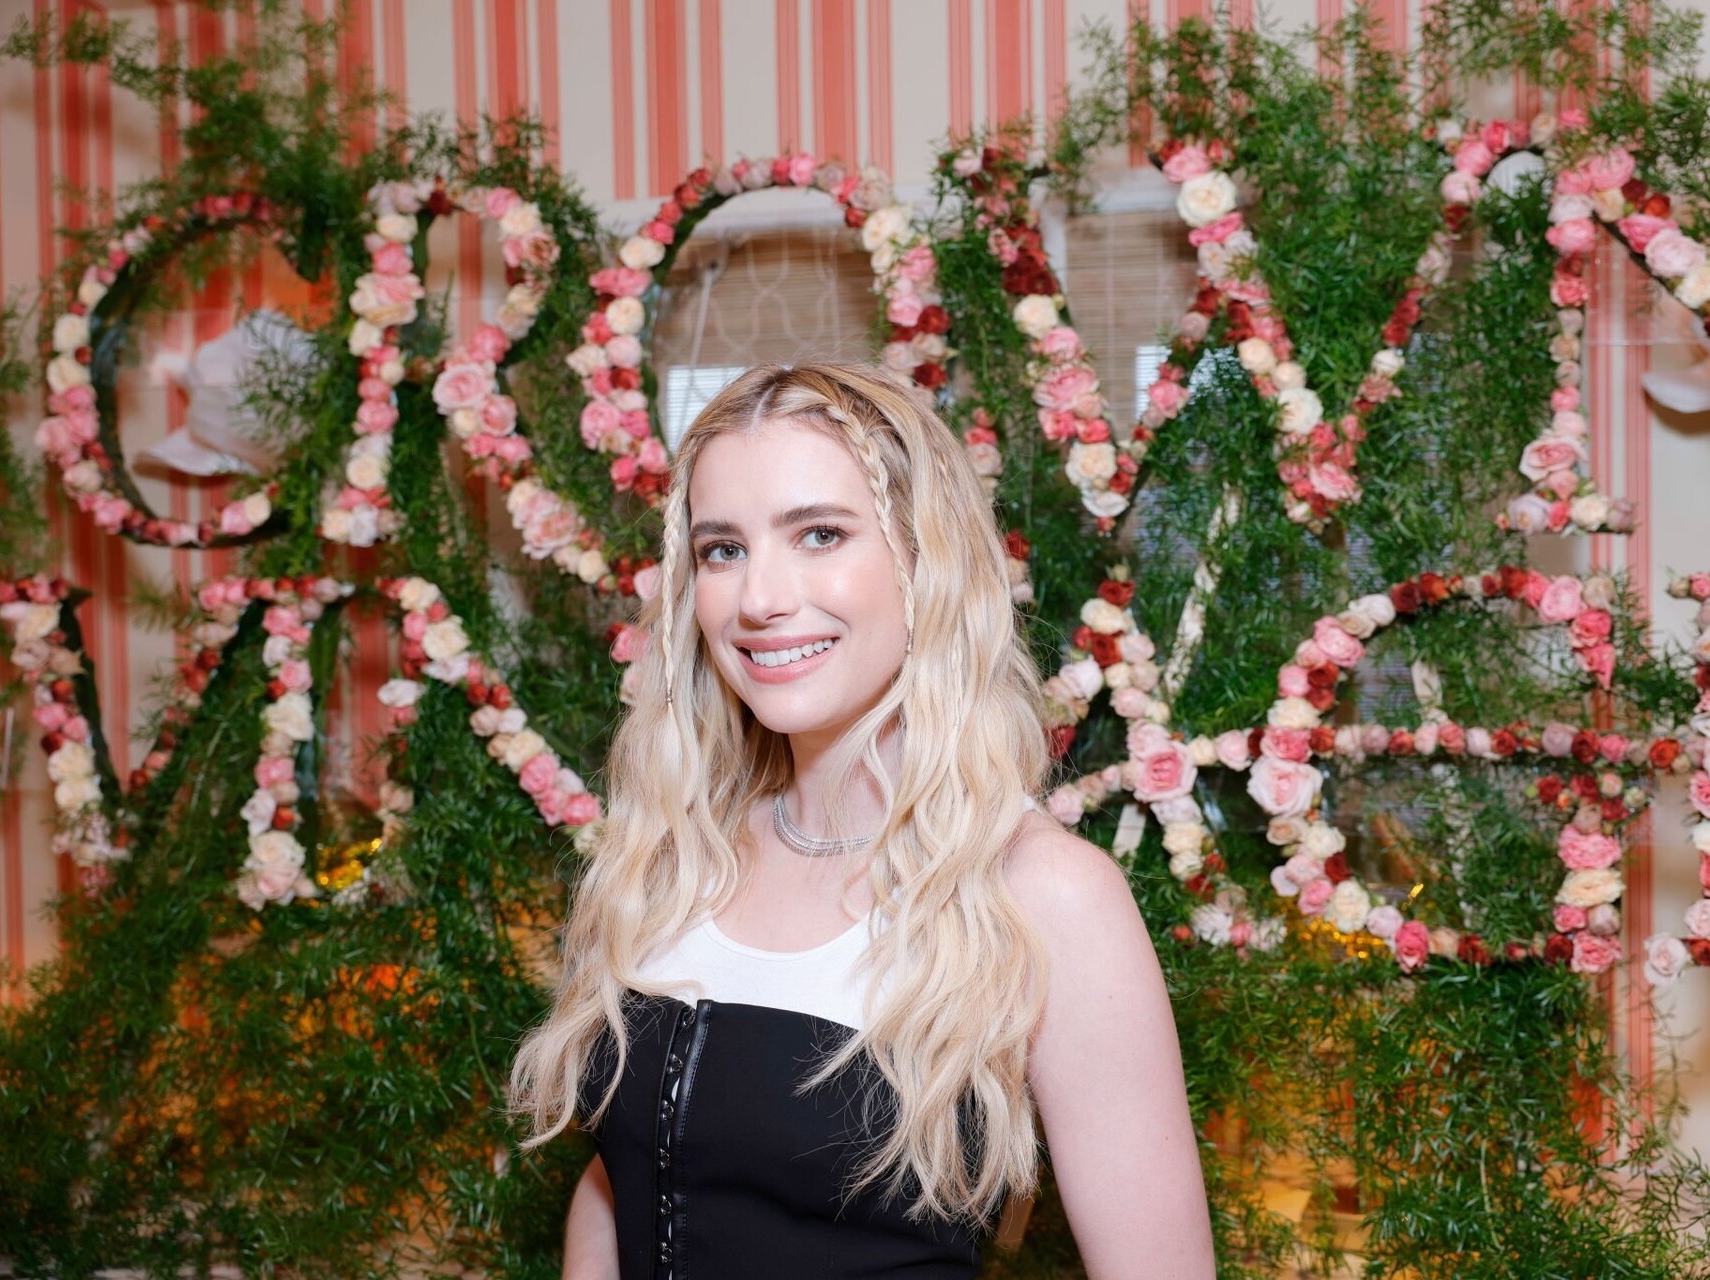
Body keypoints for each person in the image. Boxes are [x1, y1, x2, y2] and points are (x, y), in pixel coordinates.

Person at [506, 362, 1213, 1279]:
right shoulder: (675, 857)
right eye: (723, 549)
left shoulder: (1042, 893)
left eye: (820, 534)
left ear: (926, 563)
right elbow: (618, 1180)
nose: (759, 598)